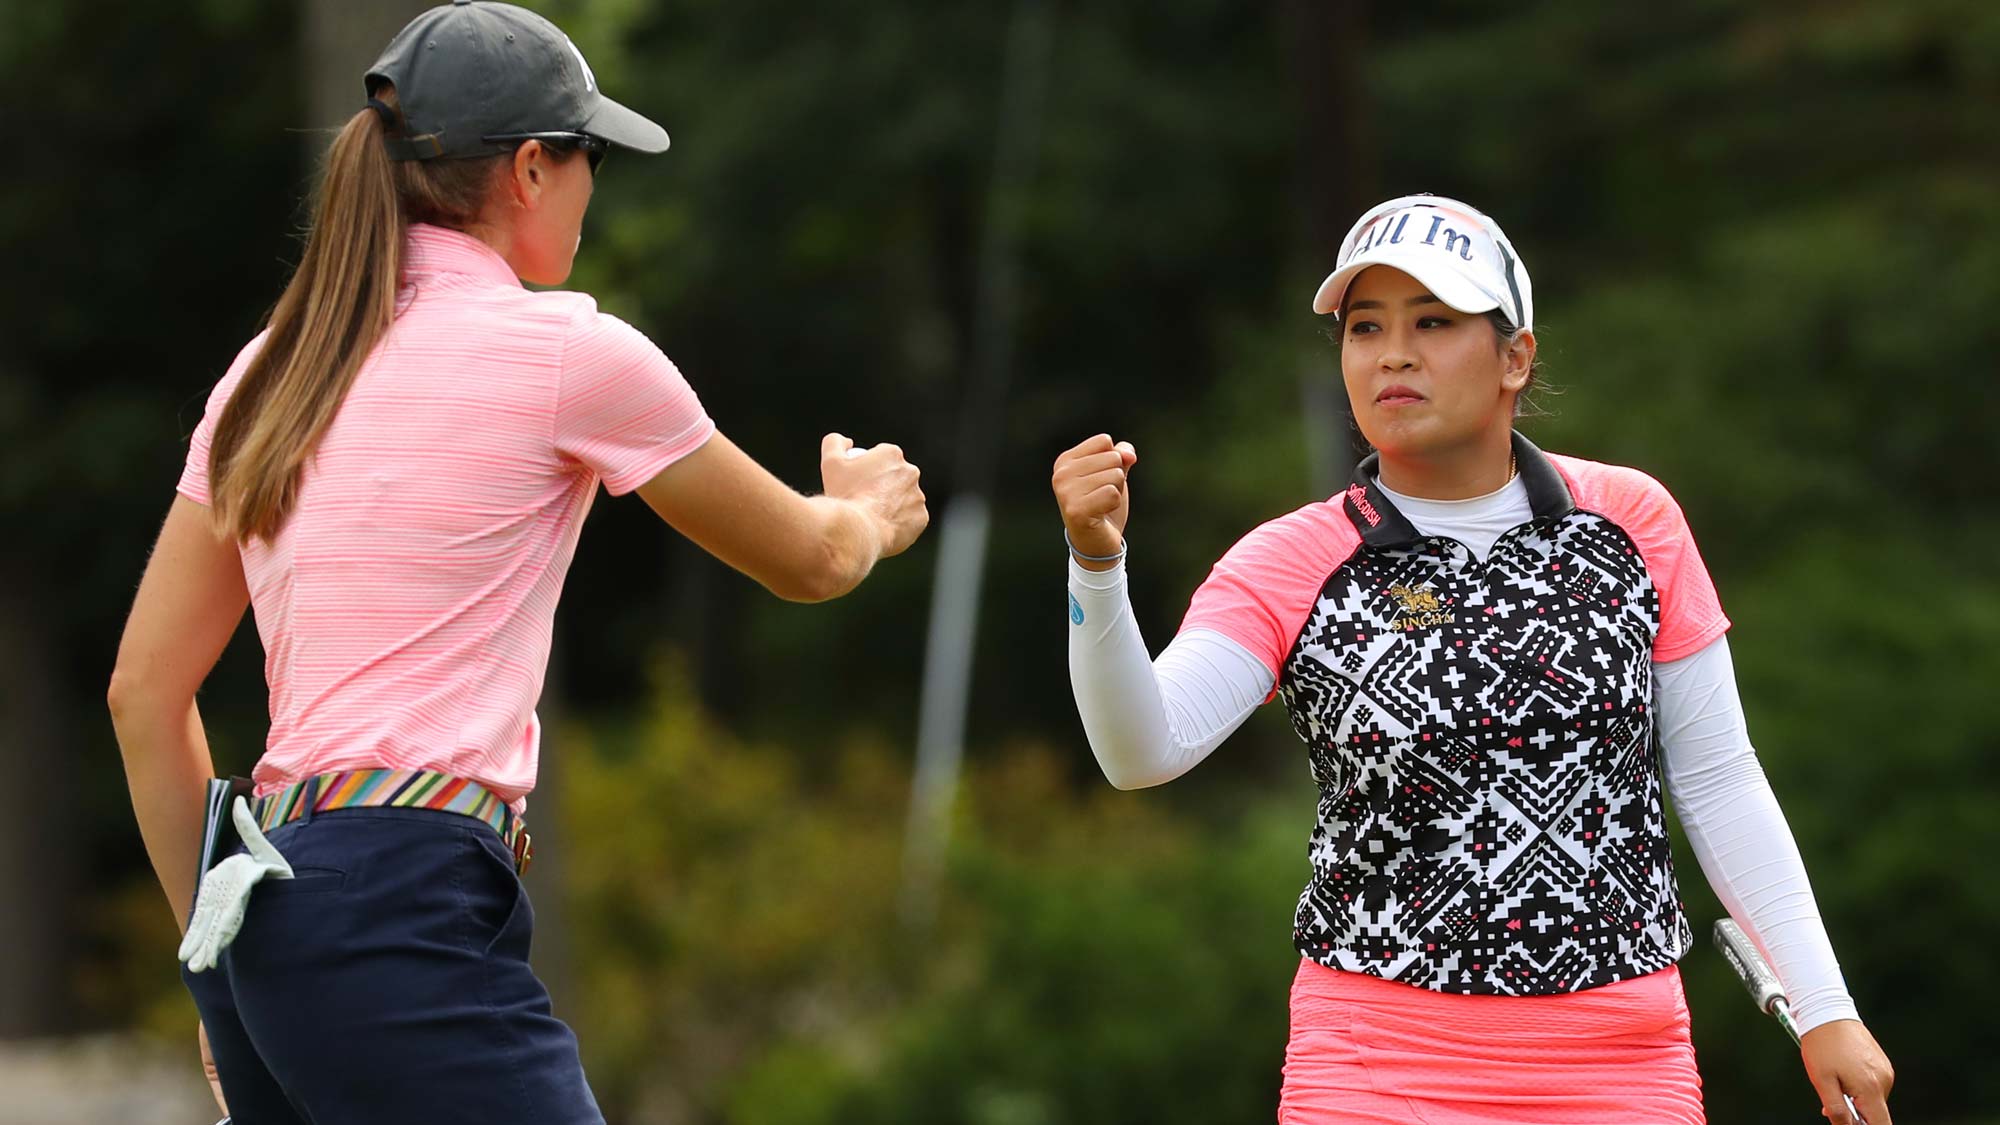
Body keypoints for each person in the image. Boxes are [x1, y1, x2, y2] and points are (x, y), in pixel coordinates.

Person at [105, 3, 927, 1122]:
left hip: (267, 922)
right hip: (403, 904)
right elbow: (808, 562)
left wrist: (219, 980)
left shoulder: (267, 375)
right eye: (590, 156)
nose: (596, 188)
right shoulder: (569, 356)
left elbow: (145, 694)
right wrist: (866, 512)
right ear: (533, 170)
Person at [1051, 194, 1894, 1124]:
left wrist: (1824, 1005)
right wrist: (1098, 565)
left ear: (1515, 357)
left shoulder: (1631, 521)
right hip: (1373, 1064)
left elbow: (1719, 776)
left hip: (1618, 1063)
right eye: (1364, 326)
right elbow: (1142, 751)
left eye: (1434, 322)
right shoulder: (1291, 559)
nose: (1392, 353)